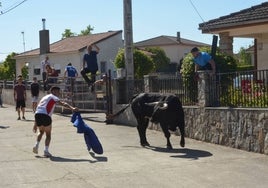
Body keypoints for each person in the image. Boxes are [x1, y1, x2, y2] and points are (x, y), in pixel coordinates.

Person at [32, 86, 79, 157]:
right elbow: (63, 103)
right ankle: (46, 151)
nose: (58, 93)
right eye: (57, 91)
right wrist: (72, 108)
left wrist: (35, 125)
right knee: (48, 134)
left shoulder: (44, 98)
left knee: (41, 132)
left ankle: (36, 145)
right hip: (45, 116)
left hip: (37, 115)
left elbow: (39, 110)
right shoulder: (53, 97)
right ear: (53, 91)